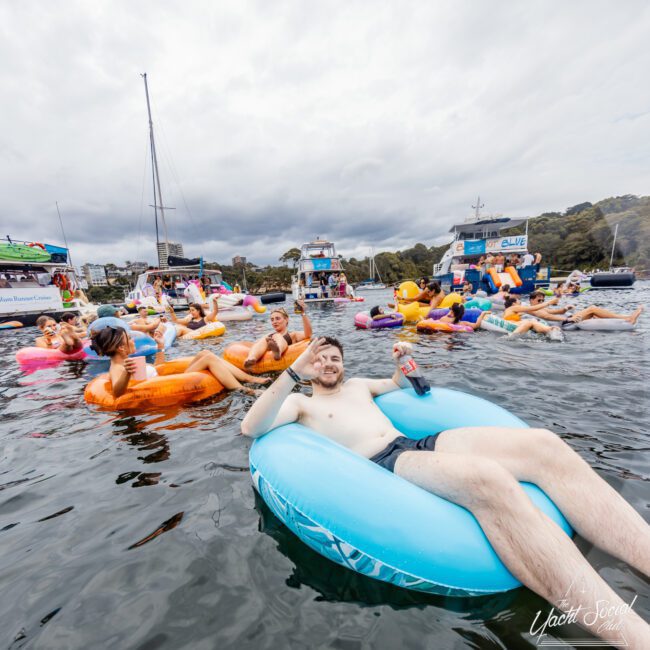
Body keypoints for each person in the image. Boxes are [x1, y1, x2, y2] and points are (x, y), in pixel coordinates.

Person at [241, 338, 650, 648]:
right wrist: (292, 373)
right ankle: (632, 635)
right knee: (487, 480)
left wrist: (403, 360)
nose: (328, 362)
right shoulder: (301, 404)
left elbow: (400, 382)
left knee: (544, 443)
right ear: (307, 367)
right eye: (319, 358)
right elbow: (251, 428)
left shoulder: (360, 386)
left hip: (418, 442)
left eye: (334, 357)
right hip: (386, 462)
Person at [89, 326, 269, 398]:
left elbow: (157, 369)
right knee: (207, 357)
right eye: (130, 339)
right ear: (121, 348)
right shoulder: (119, 367)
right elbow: (117, 392)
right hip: (163, 388)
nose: (134, 341)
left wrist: (160, 347)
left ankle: (250, 379)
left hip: (165, 380)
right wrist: (127, 374)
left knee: (205, 352)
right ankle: (247, 389)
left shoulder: (128, 361)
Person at [244, 301, 312, 369]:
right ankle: (252, 358)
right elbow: (256, 345)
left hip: (283, 348)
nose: (274, 322)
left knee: (277, 336)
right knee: (267, 338)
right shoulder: (269, 337)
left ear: (286, 319)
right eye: (272, 320)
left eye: (277, 318)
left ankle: (278, 350)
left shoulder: (293, 335)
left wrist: (303, 313)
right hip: (269, 348)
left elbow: (308, 334)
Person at [528, 291, 643, 329]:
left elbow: (555, 312)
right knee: (592, 309)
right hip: (565, 323)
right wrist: (569, 318)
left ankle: (625, 319)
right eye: (539, 301)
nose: (541, 303)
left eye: (543, 300)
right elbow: (547, 317)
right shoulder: (531, 309)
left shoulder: (541, 307)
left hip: (566, 319)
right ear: (531, 300)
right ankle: (628, 318)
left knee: (594, 314)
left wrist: (565, 308)